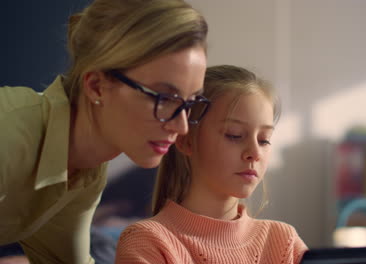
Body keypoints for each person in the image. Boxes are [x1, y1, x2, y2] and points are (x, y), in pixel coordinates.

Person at [0, 0, 209, 263]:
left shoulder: (84, 171)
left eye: (191, 103)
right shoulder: (9, 135)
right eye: (164, 98)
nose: (181, 127)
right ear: (97, 86)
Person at [115, 65, 308, 264]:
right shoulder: (148, 242)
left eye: (264, 140)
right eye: (234, 135)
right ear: (186, 141)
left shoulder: (284, 240)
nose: (255, 153)